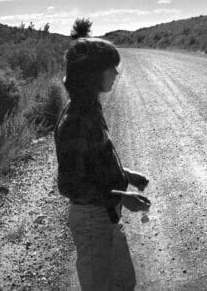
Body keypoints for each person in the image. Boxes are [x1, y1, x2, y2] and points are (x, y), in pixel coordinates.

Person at [55, 36, 151, 290]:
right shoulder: (75, 119)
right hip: (92, 220)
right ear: (92, 73)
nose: (116, 72)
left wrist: (125, 174)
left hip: (105, 216)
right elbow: (70, 185)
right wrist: (121, 197)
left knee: (123, 283)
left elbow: (95, 159)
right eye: (111, 67)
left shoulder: (89, 108)